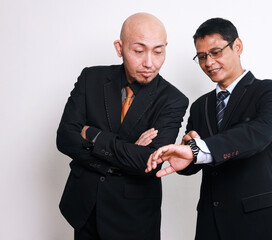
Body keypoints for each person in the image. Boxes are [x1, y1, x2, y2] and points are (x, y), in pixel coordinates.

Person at [146, 18, 272, 240]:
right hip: (210, 223)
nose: (209, 62)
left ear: (238, 46)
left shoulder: (269, 91)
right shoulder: (199, 106)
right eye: (202, 56)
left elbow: (258, 133)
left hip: (258, 223)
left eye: (216, 52)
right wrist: (186, 156)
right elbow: (192, 161)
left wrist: (198, 150)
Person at [56, 12, 188, 240]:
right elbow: (65, 138)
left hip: (133, 217)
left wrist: (93, 135)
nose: (149, 62)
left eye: (158, 51)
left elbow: (147, 163)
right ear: (119, 48)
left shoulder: (174, 99)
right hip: (85, 207)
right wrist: (128, 150)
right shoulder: (91, 78)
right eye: (138, 51)